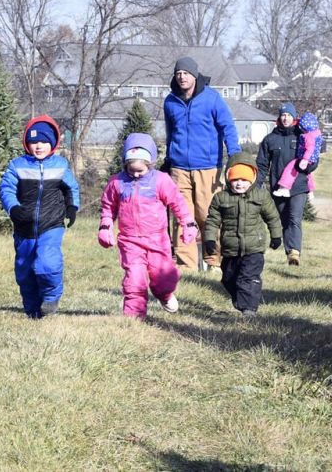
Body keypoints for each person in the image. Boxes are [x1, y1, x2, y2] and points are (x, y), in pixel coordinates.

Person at [98, 133, 199, 319]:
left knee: (163, 279)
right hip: (130, 240)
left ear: (150, 164)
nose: (136, 174)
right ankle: (134, 318)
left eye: (140, 171)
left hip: (157, 239)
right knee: (134, 279)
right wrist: (105, 227)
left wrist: (188, 223)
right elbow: (108, 207)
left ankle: (165, 294)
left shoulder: (161, 180)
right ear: (125, 164)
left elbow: (178, 203)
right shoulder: (117, 182)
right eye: (131, 170)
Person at [162, 56, 241, 272]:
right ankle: (185, 265)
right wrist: (168, 159)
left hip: (208, 167)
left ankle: (213, 260)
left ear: (194, 75)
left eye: (186, 73)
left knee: (208, 215)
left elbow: (228, 127)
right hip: (179, 168)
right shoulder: (170, 102)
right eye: (178, 73)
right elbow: (171, 133)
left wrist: (234, 154)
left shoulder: (211, 98)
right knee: (181, 217)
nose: (182, 77)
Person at [0, 115, 80, 318]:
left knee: (47, 263)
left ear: (52, 143)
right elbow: (6, 189)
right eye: (34, 142)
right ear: (27, 143)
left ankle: (51, 297)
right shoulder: (17, 165)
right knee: (25, 271)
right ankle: (33, 310)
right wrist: (13, 209)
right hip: (24, 227)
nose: (39, 146)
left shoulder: (60, 165)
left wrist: (72, 208)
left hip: (52, 224)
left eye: (43, 141)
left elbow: (72, 189)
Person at [203, 153, 282, 317]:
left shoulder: (261, 196)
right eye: (235, 180)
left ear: (252, 179)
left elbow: (272, 217)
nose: (239, 184)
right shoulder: (221, 198)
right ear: (228, 178)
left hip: (254, 248)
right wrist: (210, 239)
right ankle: (243, 301)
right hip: (230, 248)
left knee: (247, 277)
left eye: (244, 180)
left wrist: (276, 236)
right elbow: (212, 221)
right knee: (228, 278)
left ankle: (249, 309)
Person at [256, 103, 318, 267]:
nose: (285, 118)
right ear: (279, 117)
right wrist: (256, 185)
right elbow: (262, 165)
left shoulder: (301, 136)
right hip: (278, 187)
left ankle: (294, 253)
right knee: (284, 221)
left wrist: (309, 166)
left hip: (299, 186)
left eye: (289, 115)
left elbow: (313, 155)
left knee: (294, 218)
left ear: (294, 117)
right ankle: (289, 252)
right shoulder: (270, 139)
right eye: (283, 115)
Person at [272, 111, 322, 199]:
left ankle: (284, 187)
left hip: (305, 158)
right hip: (312, 158)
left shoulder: (308, 136)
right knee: (308, 174)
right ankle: (310, 191)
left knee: (291, 168)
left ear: (305, 127)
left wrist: (305, 159)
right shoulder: (316, 133)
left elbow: (310, 148)